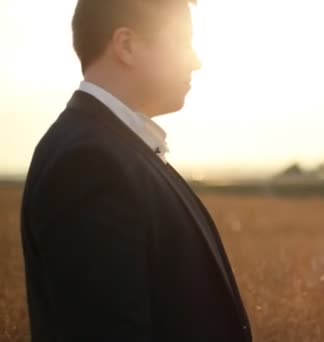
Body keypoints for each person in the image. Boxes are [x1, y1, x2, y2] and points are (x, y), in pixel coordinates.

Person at [20, 0, 251, 340]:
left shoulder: (114, 148)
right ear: (126, 46)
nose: (196, 61)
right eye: (182, 41)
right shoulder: (88, 163)